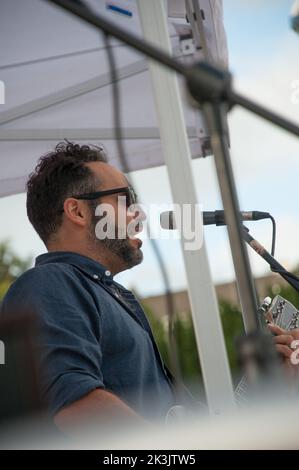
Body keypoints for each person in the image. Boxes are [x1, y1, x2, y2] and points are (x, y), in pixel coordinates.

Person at [1, 141, 176, 434]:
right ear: (78, 212)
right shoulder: (51, 282)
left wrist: (264, 379)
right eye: (126, 199)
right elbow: (76, 407)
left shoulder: (98, 291)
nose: (139, 214)